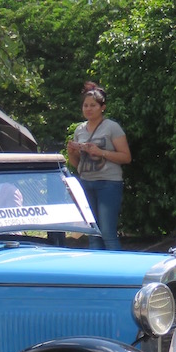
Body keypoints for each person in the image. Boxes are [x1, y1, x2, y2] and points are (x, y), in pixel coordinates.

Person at [66, 81, 131, 250]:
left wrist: (101, 152)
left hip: (108, 183)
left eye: (93, 105)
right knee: (92, 234)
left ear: (103, 107)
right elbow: (77, 165)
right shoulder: (80, 129)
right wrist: (72, 152)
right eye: (85, 105)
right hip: (87, 183)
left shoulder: (112, 127)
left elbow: (126, 157)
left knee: (108, 233)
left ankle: (116, 272)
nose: (88, 109)